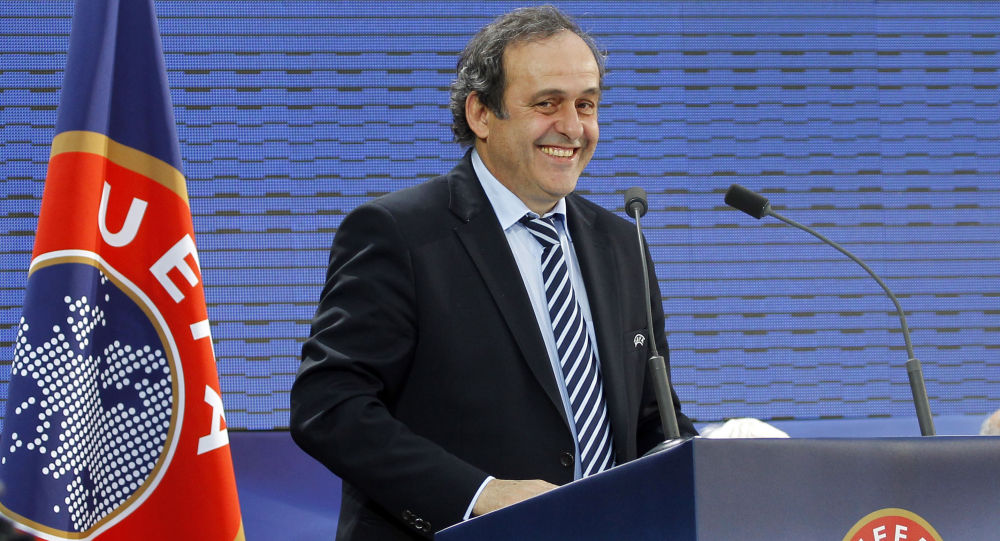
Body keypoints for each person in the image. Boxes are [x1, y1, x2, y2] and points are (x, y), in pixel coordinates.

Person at [290, 6, 696, 540]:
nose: (573, 127)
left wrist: (712, 467)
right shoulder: (399, 233)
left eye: (586, 104)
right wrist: (480, 494)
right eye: (547, 103)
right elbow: (329, 407)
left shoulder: (622, 243)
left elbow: (650, 419)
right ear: (481, 113)